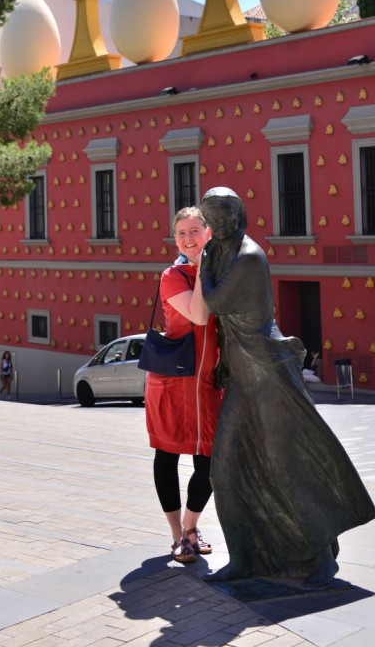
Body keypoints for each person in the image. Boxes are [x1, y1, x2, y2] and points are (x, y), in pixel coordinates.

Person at [199, 187, 375, 587]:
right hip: (243, 377)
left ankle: (322, 557)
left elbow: (212, 302)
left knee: (285, 468)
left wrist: (203, 262)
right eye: (214, 219)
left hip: (268, 373)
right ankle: (243, 558)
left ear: (239, 215)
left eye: (227, 216)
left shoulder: (247, 256)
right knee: (223, 471)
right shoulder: (221, 251)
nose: (222, 225)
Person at [144, 206, 223, 565]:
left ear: (208, 233)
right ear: (175, 240)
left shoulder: (222, 273)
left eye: (194, 231)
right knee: (167, 456)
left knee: (209, 461)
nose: (188, 238)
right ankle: (177, 535)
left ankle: (192, 527)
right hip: (172, 384)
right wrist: (204, 269)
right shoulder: (172, 276)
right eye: (181, 233)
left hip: (207, 384)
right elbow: (199, 315)